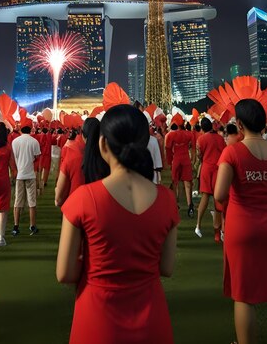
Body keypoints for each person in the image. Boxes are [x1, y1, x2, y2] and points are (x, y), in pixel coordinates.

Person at [57, 104, 179, 344]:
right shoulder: (166, 199)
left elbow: (65, 273)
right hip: (152, 319)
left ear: (103, 144)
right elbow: (166, 267)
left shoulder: (84, 198)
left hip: (98, 320)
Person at [214, 99, 267, 344]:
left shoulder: (232, 152)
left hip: (242, 227)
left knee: (244, 295)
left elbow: (219, 195)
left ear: (239, 124)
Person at [56, 119, 99, 207]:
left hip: (75, 209)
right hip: (100, 210)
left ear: (82, 133)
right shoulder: (108, 158)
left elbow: (58, 199)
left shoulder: (71, 156)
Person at [195, 117, 226, 241]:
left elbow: (199, 155)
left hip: (207, 169)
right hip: (218, 169)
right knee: (219, 199)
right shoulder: (220, 138)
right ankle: (219, 231)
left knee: (205, 197)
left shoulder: (201, 139)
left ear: (202, 128)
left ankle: (198, 225)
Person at [11, 124, 41, 236]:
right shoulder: (34, 141)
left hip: (20, 174)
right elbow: (37, 157)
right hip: (30, 175)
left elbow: (13, 157)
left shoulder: (15, 142)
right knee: (32, 202)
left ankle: (15, 226)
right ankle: (32, 225)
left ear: (21, 131)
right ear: (30, 131)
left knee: (18, 201)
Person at [164, 123, 194, 217]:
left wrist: (169, 161)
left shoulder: (172, 135)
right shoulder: (189, 134)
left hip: (176, 158)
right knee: (187, 182)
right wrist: (193, 158)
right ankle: (190, 205)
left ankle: (176, 204)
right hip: (185, 158)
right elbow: (192, 146)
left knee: (175, 182)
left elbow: (168, 148)